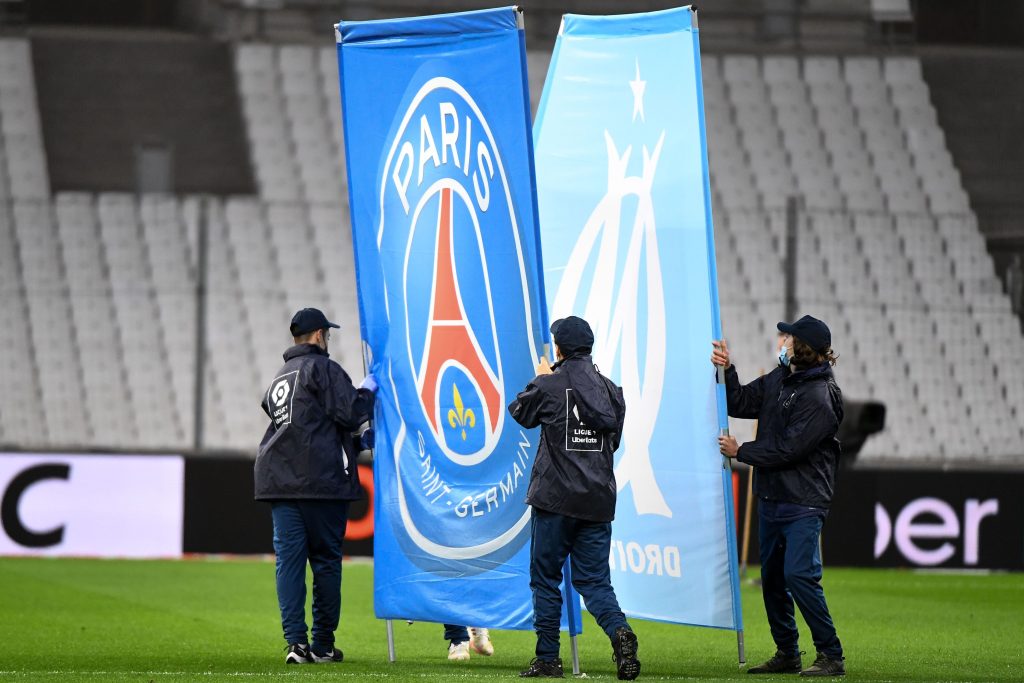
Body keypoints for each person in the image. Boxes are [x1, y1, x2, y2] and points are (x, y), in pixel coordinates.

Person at [711, 315, 846, 677]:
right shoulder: (779, 379)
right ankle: (788, 652)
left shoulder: (820, 397)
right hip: (773, 497)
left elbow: (789, 449)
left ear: (801, 347)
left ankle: (831, 655)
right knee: (772, 580)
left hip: (804, 501)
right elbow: (738, 401)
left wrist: (742, 451)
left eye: (786, 338)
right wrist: (728, 369)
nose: (781, 342)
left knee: (799, 576)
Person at [508, 315, 640, 680]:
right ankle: (620, 632)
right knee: (595, 582)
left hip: (555, 501)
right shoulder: (612, 390)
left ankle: (548, 658)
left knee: (545, 578)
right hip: (597, 502)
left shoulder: (550, 385)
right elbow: (612, 440)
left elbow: (519, 413)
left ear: (561, 349)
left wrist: (542, 377)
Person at [255, 307, 377, 664]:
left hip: (280, 482)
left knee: (289, 564)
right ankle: (322, 645)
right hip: (321, 485)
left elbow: (306, 431)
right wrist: (368, 393)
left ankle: (295, 643)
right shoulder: (323, 368)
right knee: (325, 562)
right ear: (321, 335)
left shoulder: (280, 377)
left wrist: (353, 445)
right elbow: (352, 412)